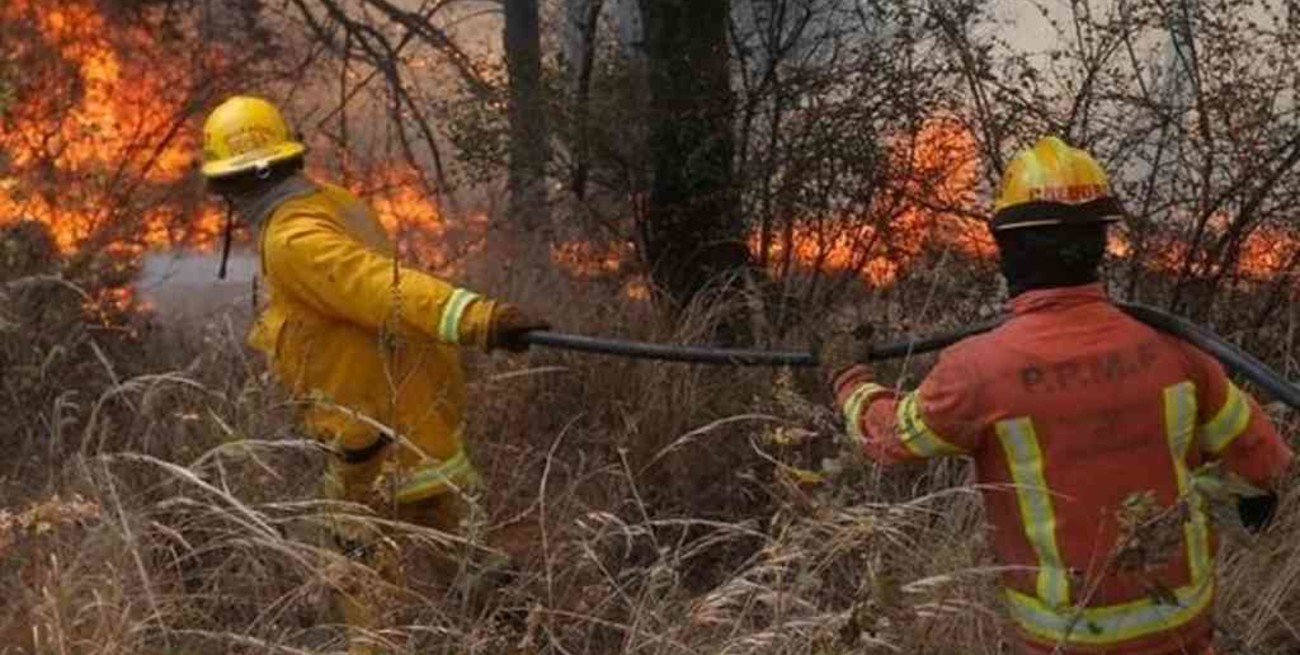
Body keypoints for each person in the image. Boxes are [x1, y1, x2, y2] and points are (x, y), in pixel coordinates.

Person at [823, 136, 1293, 655]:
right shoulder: (1177, 352)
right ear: (1099, 244)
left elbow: (889, 439)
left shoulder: (979, 370)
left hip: (1063, 641)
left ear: (1008, 248)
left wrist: (847, 373)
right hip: (1181, 633)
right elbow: (1261, 464)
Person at [199, 95, 548, 652]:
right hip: (416, 415)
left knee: (360, 586)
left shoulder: (294, 241)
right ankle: (526, 634)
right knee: (464, 555)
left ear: (228, 185)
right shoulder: (331, 205)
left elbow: (378, 287)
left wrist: (479, 319)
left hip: (370, 438)